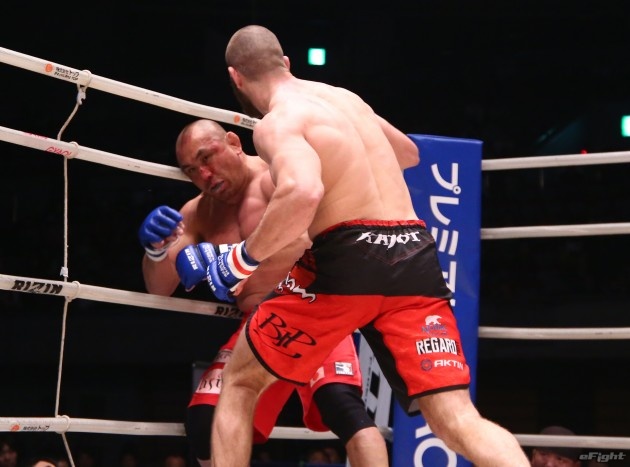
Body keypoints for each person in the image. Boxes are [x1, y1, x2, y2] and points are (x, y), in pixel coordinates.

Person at [204, 24, 531, 467]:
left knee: (241, 383)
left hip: (347, 259)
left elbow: (302, 191)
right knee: (456, 418)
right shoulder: (346, 99)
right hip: (413, 254)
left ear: (236, 78)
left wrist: (242, 259)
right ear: (286, 63)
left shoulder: (278, 122)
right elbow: (408, 153)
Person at [139, 119, 387, 466]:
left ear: (233, 142)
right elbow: (158, 288)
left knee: (342, 405)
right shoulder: (198, 213)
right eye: (191, 170)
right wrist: (156, 251)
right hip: (258, 326)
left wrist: (229, 257)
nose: (204, 175)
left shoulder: (282, 174)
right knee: (204, 421)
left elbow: (323, 242)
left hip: (314, 306)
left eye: (207, 158)